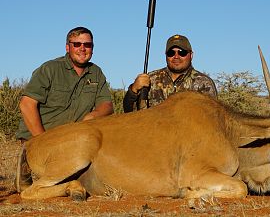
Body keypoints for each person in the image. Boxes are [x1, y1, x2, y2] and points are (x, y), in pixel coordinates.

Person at [15, 26, 113, 192]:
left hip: (71, 141)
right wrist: (42, 141)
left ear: (92, 48)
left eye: (87, 45)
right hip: (42, 137)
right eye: (77, 44)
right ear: (68, 47)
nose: (82, 49)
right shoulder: (50, 68)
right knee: (29, 186)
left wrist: (94, 115)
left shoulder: (96, 72)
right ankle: (27, 163)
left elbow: (107, 105)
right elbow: (27, 104)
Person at [123, 34, 217, 112]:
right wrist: (133, 90)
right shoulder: (150, 79)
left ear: (191, 55)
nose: (176, 56)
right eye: (171, 53)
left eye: (182, 52)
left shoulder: (204, 83)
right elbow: (128, 112)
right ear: (166, 55)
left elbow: (212, 119)